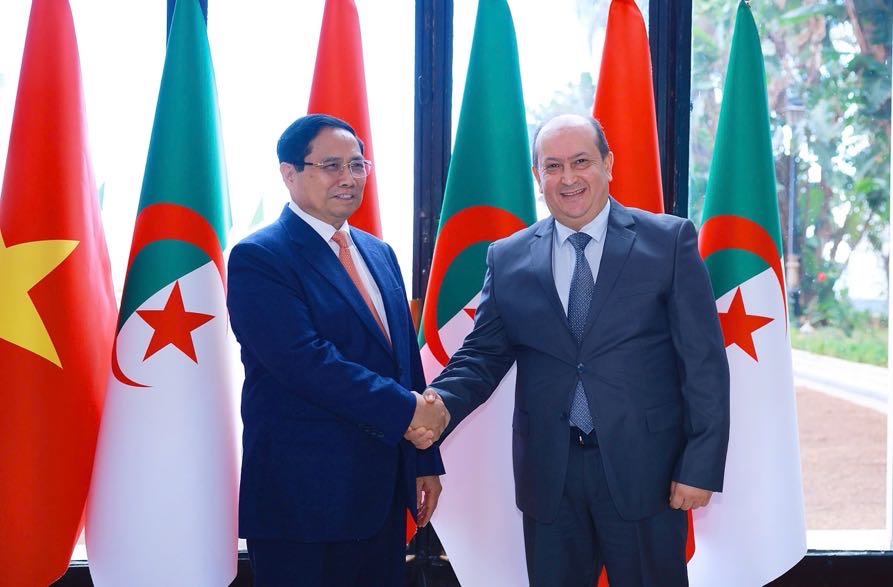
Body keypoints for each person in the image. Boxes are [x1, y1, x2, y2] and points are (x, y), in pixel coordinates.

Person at [429, 113, 730, 586]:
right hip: (551, 476)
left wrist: (700, 466)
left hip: (646, 472)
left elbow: (704, 364)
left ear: (608, 164)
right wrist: (436, 405)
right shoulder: (507, 258)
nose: (568, 178)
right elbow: (482, 355)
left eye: (581, 161)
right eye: (553, 166)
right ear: (538, 176)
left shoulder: (668, 242)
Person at [227, 113, 449, 587]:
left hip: (381, 497)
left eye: (357, 164)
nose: (348, 178)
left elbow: (404, 361)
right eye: (331, 165)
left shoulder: (378, 253)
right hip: (303, 504)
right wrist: (409, 411)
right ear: (289, 173)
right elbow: (306, 362)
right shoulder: (260, 257)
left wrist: (423, 459)